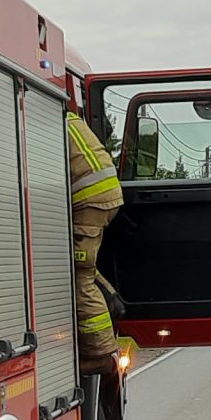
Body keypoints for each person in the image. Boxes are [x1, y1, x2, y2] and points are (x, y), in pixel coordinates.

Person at [65, 103, 125, 378]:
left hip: (89, 201)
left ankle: (100, 354)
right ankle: (111, 300)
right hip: (99, 197)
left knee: (80, 277)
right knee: (84, 266)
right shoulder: (68, 118)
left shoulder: (43, 117)